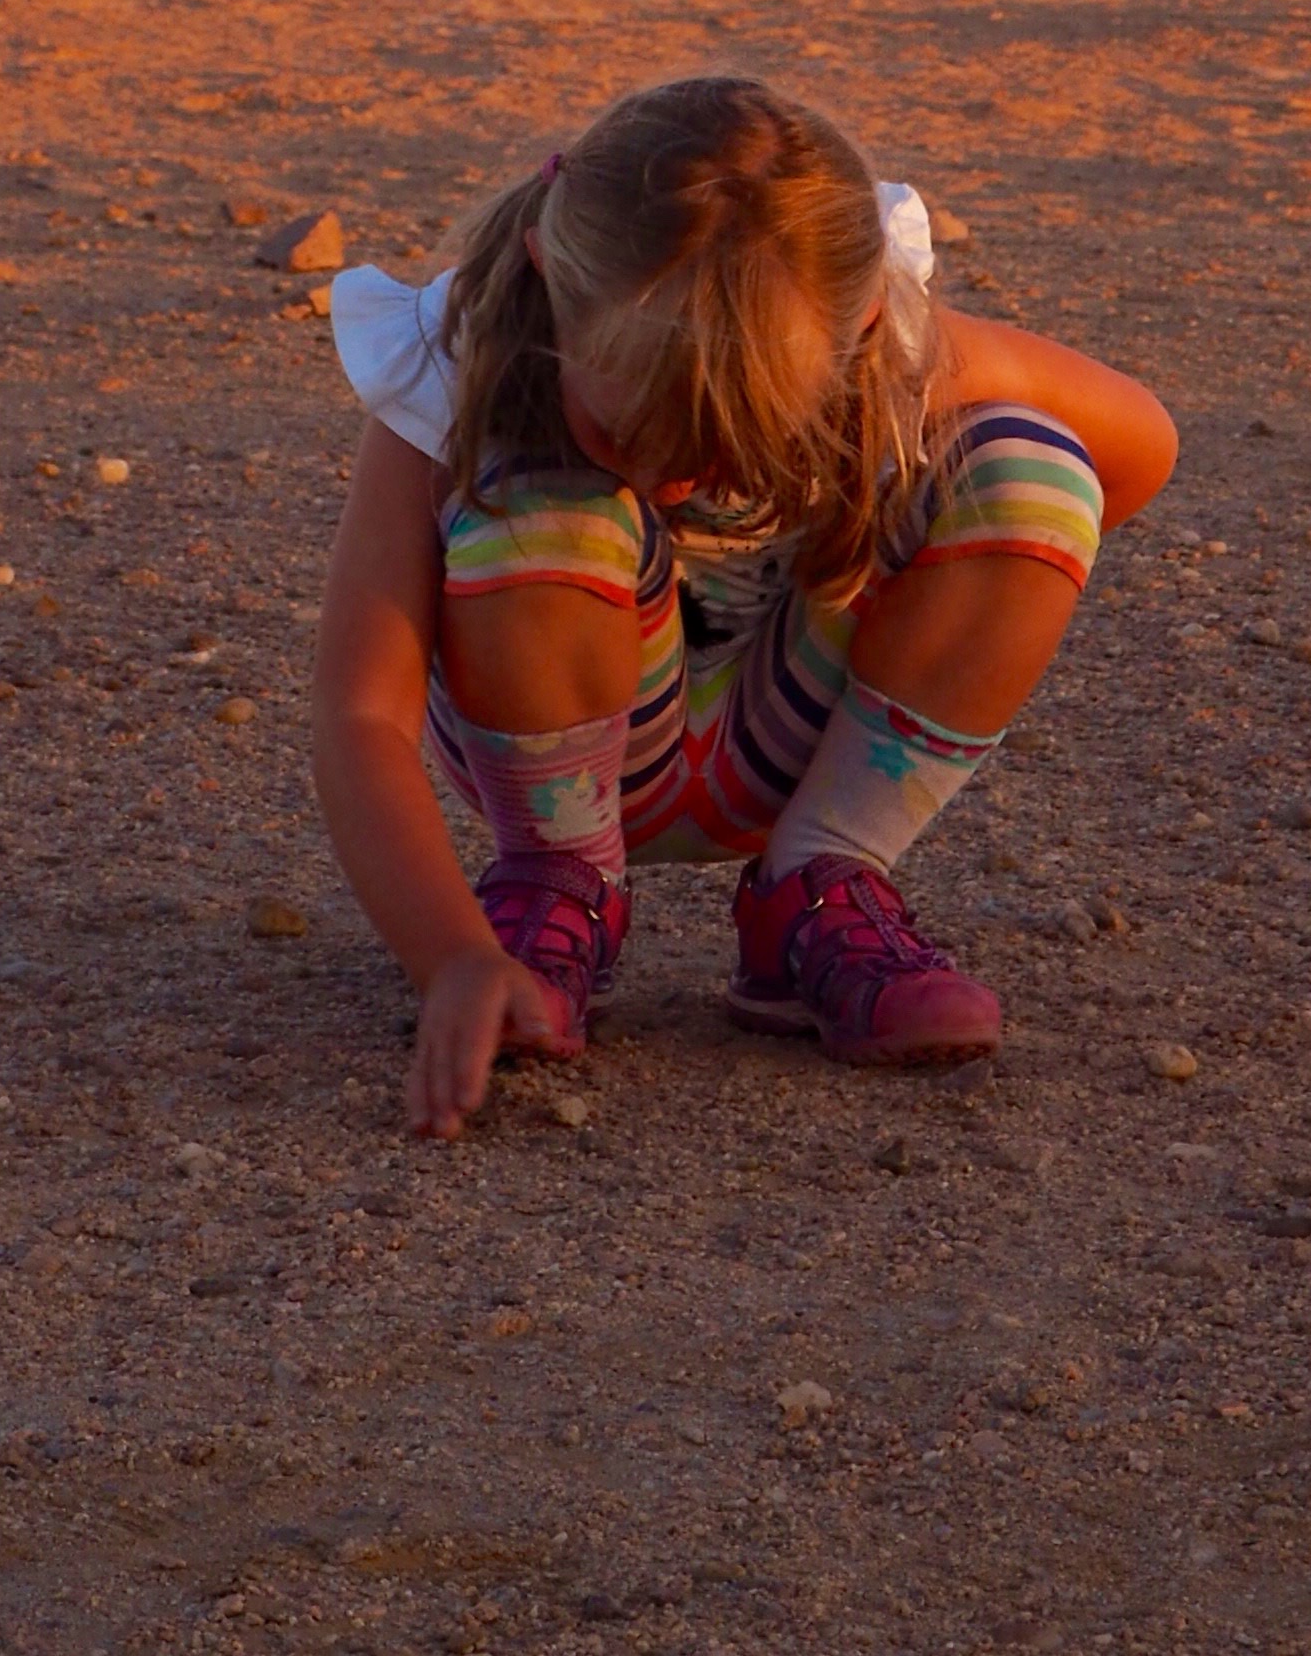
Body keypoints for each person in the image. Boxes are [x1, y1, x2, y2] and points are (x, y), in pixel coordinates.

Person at [309, 73, 1176, 1134]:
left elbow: (1134, 452)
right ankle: (553, 890)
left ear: (855, 321)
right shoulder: (462, 352)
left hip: (797, 744)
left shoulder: (872, 342)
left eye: (733, 447)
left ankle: (818, 888)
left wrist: (905, 571)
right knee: (548, 498)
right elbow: (362, 711)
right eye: (629, 439)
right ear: (549, 278)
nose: (675, 485)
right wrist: (449, 958)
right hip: (555, 750)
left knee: (1033, 471)